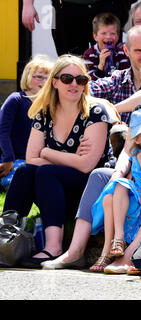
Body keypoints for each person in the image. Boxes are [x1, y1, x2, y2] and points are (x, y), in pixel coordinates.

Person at [41, 51, 141, 271]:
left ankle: (132, 253)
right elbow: (128, 150)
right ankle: (75, 251)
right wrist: (118, 171)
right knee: (100, 175)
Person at [2, 54, 112, 268]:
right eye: (67, 78)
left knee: (46, 172)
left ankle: (54, 247)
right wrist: (69, 158)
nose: (74, 84)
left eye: (81, 80)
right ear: (54, 82)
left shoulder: (95, 113)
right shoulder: (44, 114)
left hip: (89, 190)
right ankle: (6, 235)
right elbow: (31, 158)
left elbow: (86, 165)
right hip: (52, 189)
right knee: (25, 171)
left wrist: (48, 152)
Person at [89, 108, 141, 272]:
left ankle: (113, 246)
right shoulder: (135, 157)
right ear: (136, 140)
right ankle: (116, 241)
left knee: (117, 190)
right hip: (134, 201)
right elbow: (130, 181)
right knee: (113, 192)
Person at [0, 55, 53, 190]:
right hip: (12, 159)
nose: (44, 81)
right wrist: (8, 158)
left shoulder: (51, 105)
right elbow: (2, 130)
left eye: (48, 78)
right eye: (39, 77)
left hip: (36, 161)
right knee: (14, 181)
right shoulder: (16, 99)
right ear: (28, 77)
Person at [89, 25, 141, 123]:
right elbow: (84, 91)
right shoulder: (117, 80)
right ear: (126, 50)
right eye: (138, 50)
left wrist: (112, 109)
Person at [22, 0, 137, 56]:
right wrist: (27, 4)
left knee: (110, 63)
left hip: (107, 6)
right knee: (69, 64)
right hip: (67, 8)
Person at [83, 12, 131, 80]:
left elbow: (126, 77)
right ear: (95, 36)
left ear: (117, 37)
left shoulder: (121, 53)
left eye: (112, 33)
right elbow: (89, 82)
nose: (108, 37)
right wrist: (101, 66)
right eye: (104, 33)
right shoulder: (89, 55)